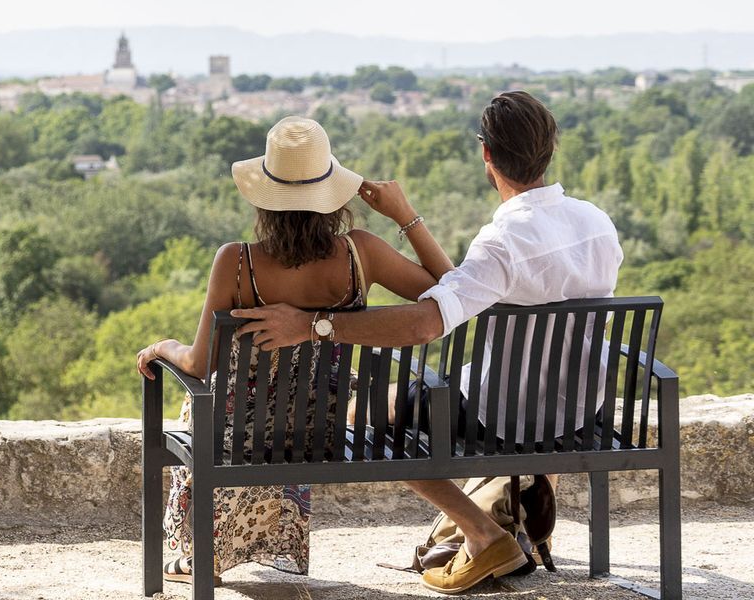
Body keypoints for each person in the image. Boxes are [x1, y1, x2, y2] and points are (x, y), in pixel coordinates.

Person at [239, 91, 624, 595]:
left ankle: (483, 532)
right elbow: (458, 286)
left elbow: (425, 323)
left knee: (366, 412)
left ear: (486, 154)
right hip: (581, 407)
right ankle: (530, 481)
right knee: (466, 390)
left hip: (503, 414)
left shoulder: (502, 242)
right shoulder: (596, 223)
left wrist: (314, 325)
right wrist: (407, 218)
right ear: (550, 148)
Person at [135, 116, 453, 584]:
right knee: (282, 413)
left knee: (203, 408)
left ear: (266, 197)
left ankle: (200, 553)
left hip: (234, 440)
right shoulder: (361, 253)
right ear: (331, 197)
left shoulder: (235, 262)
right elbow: (451, 290)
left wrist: (165, 347)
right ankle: (266, 543)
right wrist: (405, 215)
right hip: (315, 433)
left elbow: (199, 363)